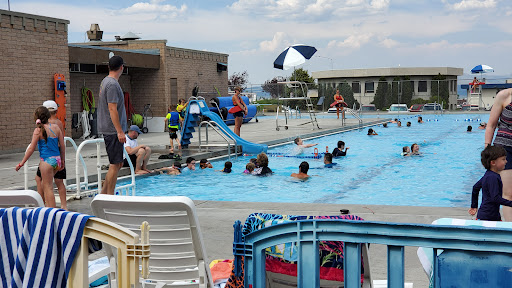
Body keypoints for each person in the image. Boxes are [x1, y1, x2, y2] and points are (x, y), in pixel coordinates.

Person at [16, 106, 65, 208]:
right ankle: (46, 207)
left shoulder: (38, 131)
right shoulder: (56, 128)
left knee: (48, 187)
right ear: (48, 116)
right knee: (43, 183)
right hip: (57, 160)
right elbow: (62, 145)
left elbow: (31, 149)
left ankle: (51, 212)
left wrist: (22, 163)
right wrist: (63, 159)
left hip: (46, 161)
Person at [98, 55, 127, 195]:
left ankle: (103, 194)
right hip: (112, 130)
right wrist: (119, 131)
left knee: (118, 163)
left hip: (111, 128)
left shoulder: (105, 82)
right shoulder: (112, 84)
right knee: (115, 164)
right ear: (121, 67)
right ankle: (109, 197)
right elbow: (112, 108)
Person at [33, 100, 67, 210]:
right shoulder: (59, 123)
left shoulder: (42, 126)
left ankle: (43, 204)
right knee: (59, 182)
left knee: (41, 180)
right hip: (58, 157)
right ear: (56, 110)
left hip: (47, 158)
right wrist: (63, 159)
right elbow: (61, 143)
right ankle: (64, 206)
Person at [468, 145, 512, 221]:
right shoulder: (493, 177)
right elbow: (495, 198)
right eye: (503, 159)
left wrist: (474, 205)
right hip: (488, 218)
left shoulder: (488, 175)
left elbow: (475, 187)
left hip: (485, 215)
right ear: (493, 162)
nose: (506, 161)